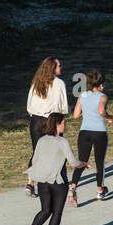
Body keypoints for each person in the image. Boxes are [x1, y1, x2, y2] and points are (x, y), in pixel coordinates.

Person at [24, 112, 85, 225]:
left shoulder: (41, 140)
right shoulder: (62, 141)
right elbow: (74, 163)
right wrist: (84, 164)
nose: (65, 125)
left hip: (43, 182)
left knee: (45, 210)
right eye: (63, 123)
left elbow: (34, 161)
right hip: (58, 182)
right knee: (57, 213)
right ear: (57, 124)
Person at [25, 56, 68, 196]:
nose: (61, 68)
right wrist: (61, 121)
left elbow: (29, 104)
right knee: (57, 150)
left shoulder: (36, 83)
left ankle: (30, 183)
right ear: (53, 68)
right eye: (59, 66)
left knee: (37, 151)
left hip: (35, 120)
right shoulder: (59, 83)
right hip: (51, 119)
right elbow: (62, 106)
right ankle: (56, 179)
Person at [69, 69, 113, 205]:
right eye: (102, 84)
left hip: (84, 133)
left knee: (82, 161)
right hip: (99, 132)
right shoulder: (103, 96)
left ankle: (72, 188)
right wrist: (109, 117)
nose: (103, 87)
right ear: (99, 84)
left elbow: (75, 115)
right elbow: (101, 111)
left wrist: (86, 113)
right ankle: (100, 190)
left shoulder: (83, 95)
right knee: (100, 162)